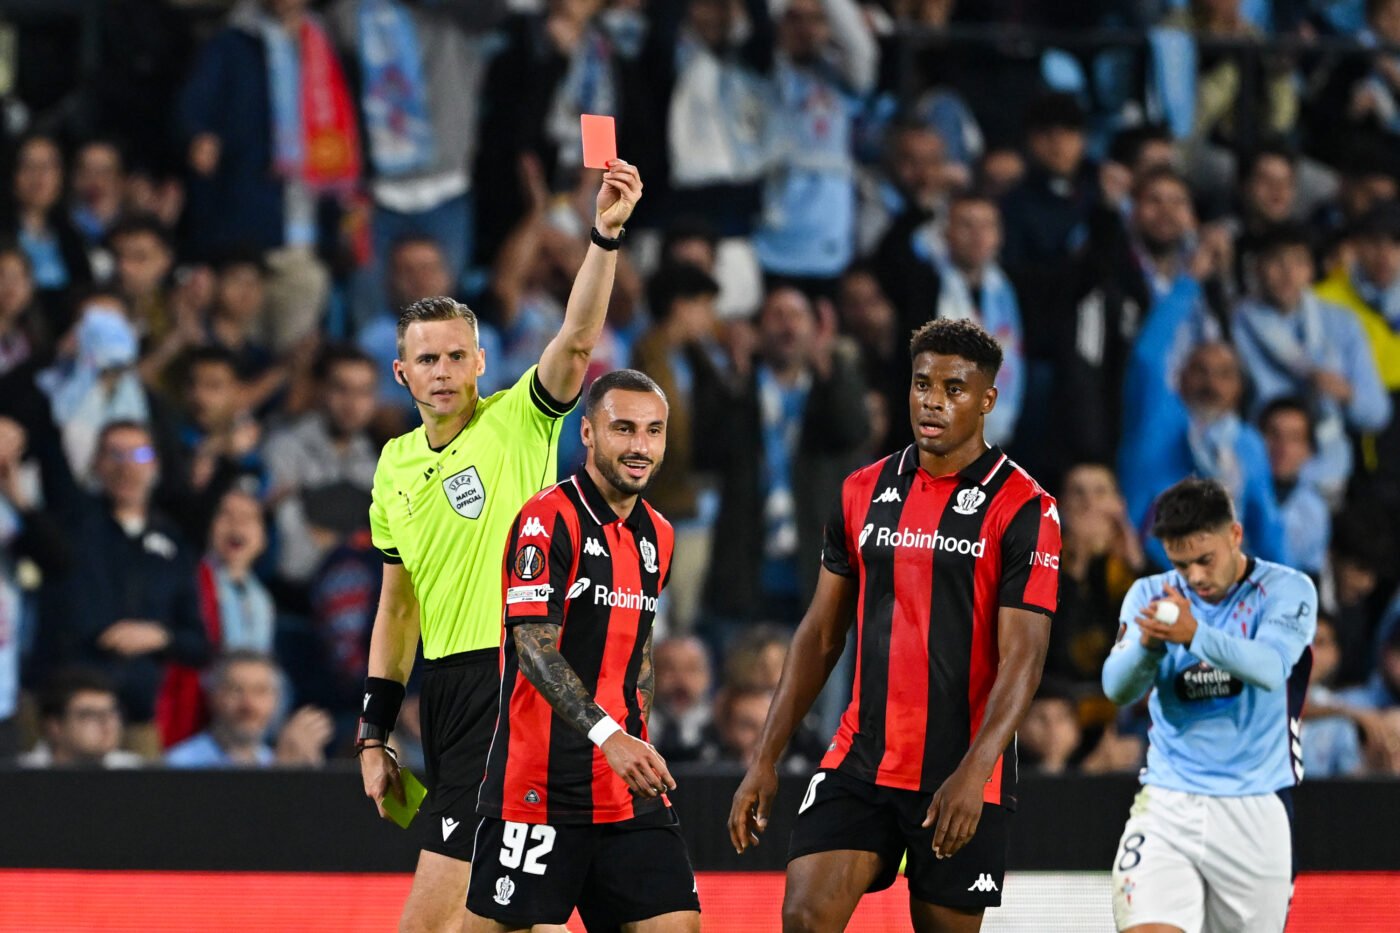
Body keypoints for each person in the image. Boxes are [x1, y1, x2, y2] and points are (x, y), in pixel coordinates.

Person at [356, 161, 642, 933]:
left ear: (481, 362)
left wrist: (603, 235)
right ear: (401, 372)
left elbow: (576, 340)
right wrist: (374, 731)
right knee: (513, 916)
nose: (444, 372)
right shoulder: (394, 465)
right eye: (427, 359)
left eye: (458, 356)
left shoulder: (519, 421)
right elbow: (398, 607)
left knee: (437, 924)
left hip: (514, 677)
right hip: (446, 695)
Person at [729, 317, 1061, 932]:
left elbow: (1025, 658)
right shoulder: (862, 489)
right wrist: (765, 756)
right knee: (804, 919)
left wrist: (975, 772)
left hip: (960, 771)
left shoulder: (1025, 507)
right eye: (922, 384)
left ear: (988, 400)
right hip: (861, 758)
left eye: (954, 389)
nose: (932, 401)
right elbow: (820, 634)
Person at [468, 369, 699, 932]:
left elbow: (640, 651)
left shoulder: (660, 535)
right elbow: (533, 646)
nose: (641, 446)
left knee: (677, 924)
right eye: (624, 429)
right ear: (589, 433)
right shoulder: (548, 518)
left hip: (625, 787)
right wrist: (609, 736)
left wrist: (634, 738)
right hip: (539, 786)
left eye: (653, 431)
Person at [1102, 477, 1316, 933]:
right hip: (1168, 801)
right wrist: (1147, 648)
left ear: (1235, 535)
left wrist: (1194, 635)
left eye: (1205, 559)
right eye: (1181, 564)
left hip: (1255, 808)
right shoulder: (1150, 595)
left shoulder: (1287, 590)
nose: (1195, 577)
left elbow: (1270, 667)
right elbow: (1116, 688)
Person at [166, 650, 333, 768]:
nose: (249, 705)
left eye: (260, 691)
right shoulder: (180, 765)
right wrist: (281, 774)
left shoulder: (274, 760)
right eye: (236, 690)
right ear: (213, 697)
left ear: (276, 700)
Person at [20, 669, 144, 769]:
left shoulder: (134, 770)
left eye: (111, 712)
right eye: (90, 715)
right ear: (55, 726)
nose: (107, 724)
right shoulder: (20, 777)